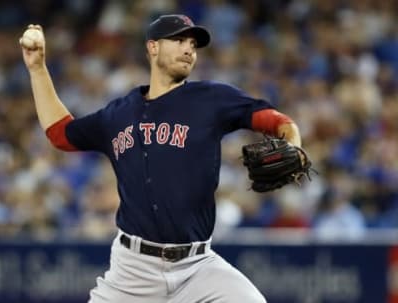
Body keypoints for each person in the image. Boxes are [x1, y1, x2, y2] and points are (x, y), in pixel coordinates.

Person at [20, 14, 303, 303]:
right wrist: (38, 69)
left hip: (198, 267)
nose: (189, 48)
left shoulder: (211, 99)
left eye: (193, 43)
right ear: (153, 47)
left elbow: (276, 121)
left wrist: (293, 142)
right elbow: (60, 134)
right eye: (179, 40)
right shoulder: (119, 113)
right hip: (132, 271)